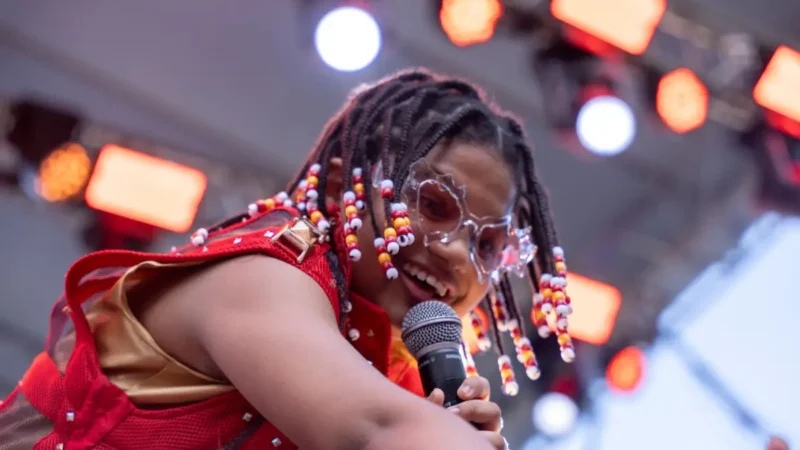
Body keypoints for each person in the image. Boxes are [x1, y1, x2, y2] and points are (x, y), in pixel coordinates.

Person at [0, 69, 575, 449]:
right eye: (432, 204)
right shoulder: (265, 276)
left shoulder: (392, 375)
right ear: (340, 182)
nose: (455, 252)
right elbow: (372, 431)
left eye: (490, 246)